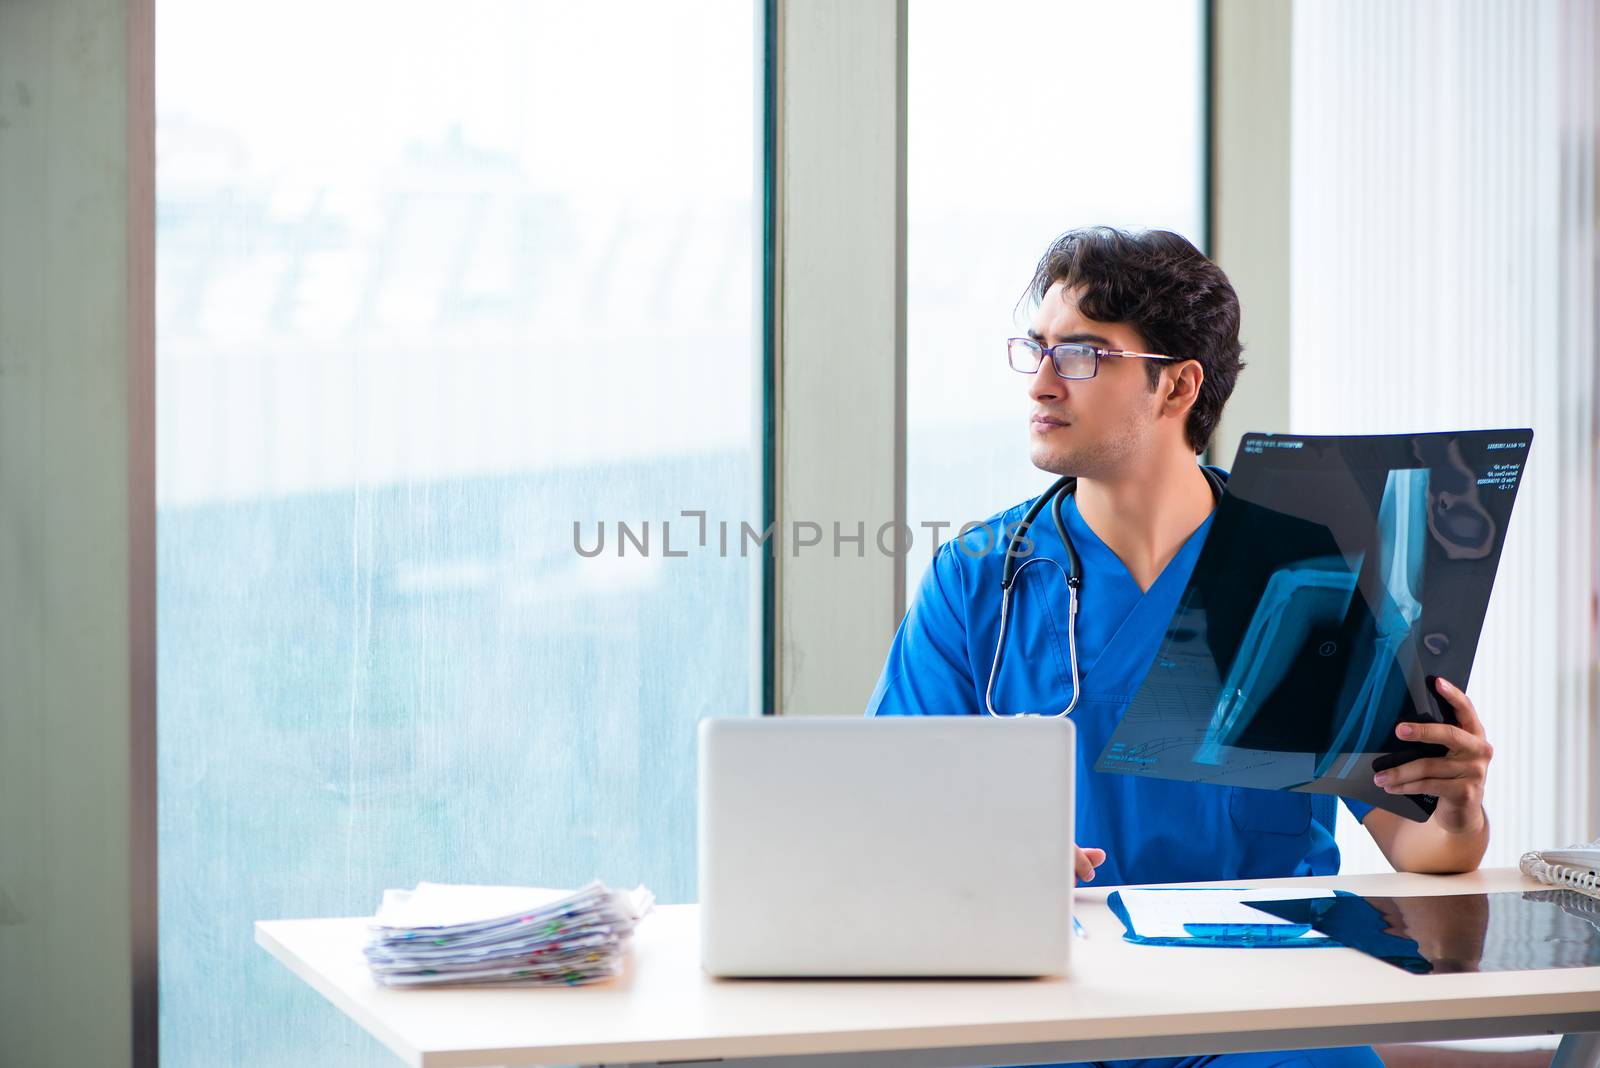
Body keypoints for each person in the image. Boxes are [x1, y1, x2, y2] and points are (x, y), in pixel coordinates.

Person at [865, 227, 1496, 1068]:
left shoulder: (1310, 573)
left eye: (1084, 354)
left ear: (1177, 385)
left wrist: (1457, 809)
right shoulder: (980, 576)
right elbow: (887, 816)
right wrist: (985, 857)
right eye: (1037, 349)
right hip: (1052, 1000)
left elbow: (1421, 845)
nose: (1043, 383)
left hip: (1264, 1003)